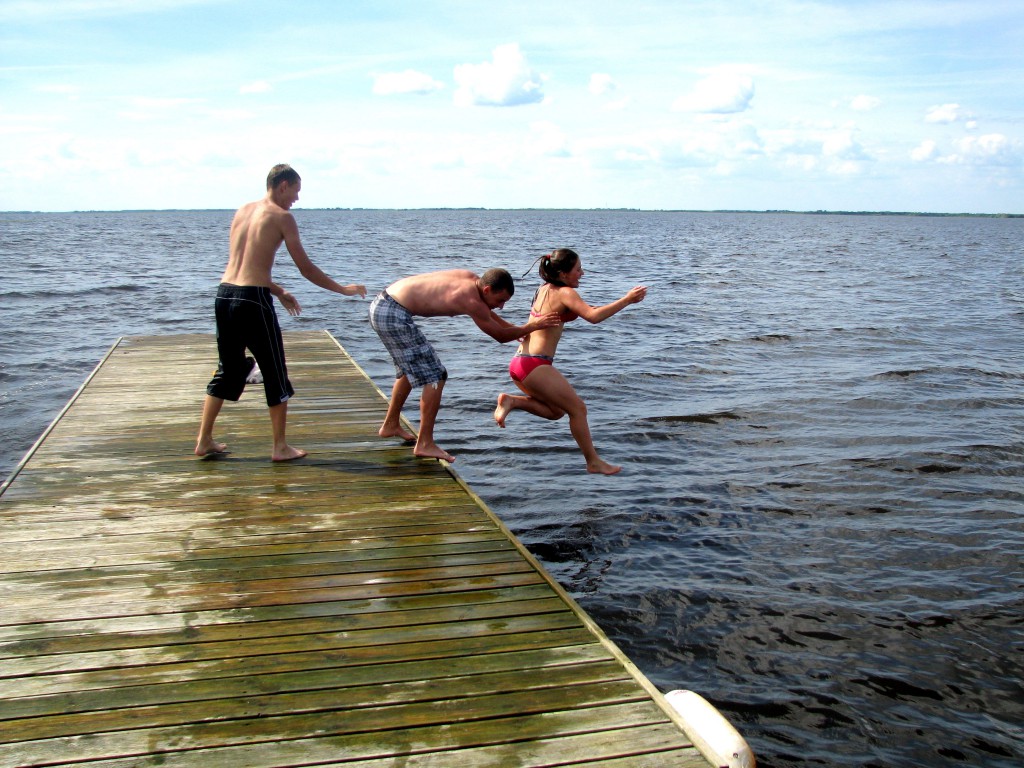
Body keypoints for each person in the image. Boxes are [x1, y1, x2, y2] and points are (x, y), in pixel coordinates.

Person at [195, 164, 366, 461]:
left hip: (224, 295)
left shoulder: (242, 211)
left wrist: (278, 290)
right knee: (275, 371)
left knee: (229, 369)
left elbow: (244, 266)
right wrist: (343, 290)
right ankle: (280, 447)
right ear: (283, 185)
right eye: (296, 192)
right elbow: (306, 268)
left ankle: (204, 440)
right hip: (253, 301)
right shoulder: (283, 217)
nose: (296, 200)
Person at [369, 269, 562, 463]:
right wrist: (532, 326)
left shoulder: (471, 280)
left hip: (384, 305)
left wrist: (515, 329)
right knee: (436, 375)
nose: (501, 306)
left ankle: (391, 424)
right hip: (393, 314)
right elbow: (499, 336)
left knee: (411, 369)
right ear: (487, 290)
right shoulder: (471, 301)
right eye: (500, 300)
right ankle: (425, 443)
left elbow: (488, 314)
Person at [493, 248, 647, 475]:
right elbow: (593, 317)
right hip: (535, 364)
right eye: (578, 269)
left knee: (556, 412)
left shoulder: (544, 289)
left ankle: (512, 402)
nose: (582, 273)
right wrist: (627, 300)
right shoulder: (565, 293)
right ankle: (593, 461)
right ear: (563, 274)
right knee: (578, 409)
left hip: (520, 362)